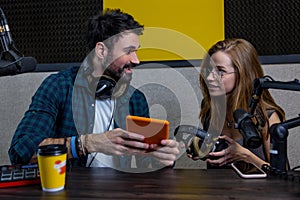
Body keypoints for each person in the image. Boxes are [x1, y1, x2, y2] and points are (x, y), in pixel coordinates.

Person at [9, 8, 180, 170]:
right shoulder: (58, 87)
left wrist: (162, 159)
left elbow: (146, 164)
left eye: (136, 51)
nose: (136, 60)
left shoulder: (135, 98)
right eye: (129, 51)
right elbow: (21, 152)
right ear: (101, 50)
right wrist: (88, 143)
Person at [187, 38, 285, 169]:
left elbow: (283, 175)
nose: (209, 77)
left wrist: (246, 156)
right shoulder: (210, 108)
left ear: (242, 74)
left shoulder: (267, 117)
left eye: (220, 71)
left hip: (257, 189)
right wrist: (202, 150)